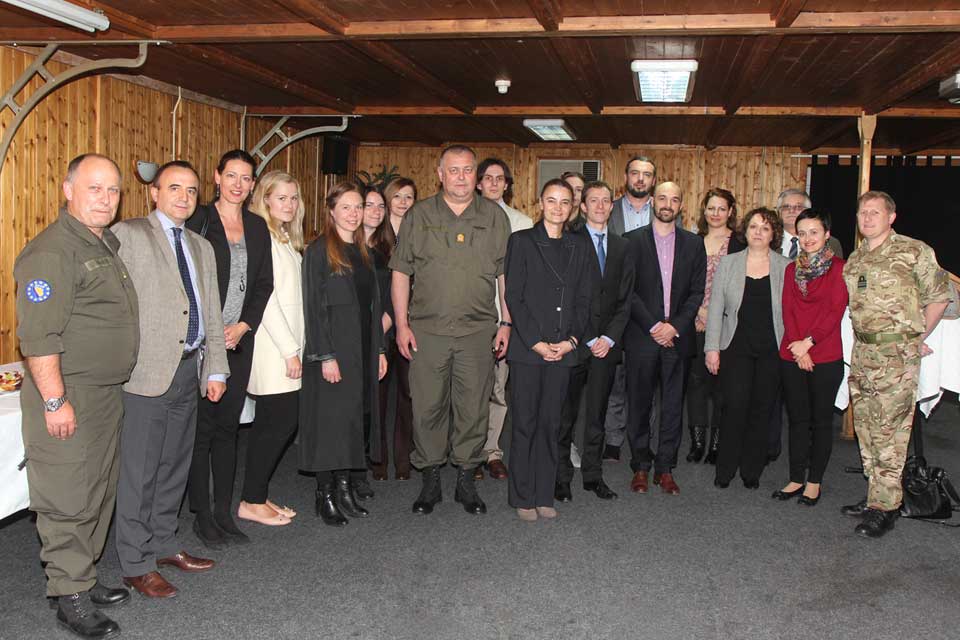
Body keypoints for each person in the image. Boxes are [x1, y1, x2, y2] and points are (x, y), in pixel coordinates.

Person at [15, 154, 139, 638]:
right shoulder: (53, 251)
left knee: (98, 490)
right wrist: (54, 400)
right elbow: (39, 337)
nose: (106, 199)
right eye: (95, 188)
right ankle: (68, 596)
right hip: (70, 394)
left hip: (104, 395)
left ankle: (82, 580)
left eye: (113, 190)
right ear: (68, 190)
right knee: (68, 495)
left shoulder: (101, 244)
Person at [112, 161, 226, 598]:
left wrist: (215, 366)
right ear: (154, 193)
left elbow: (211, 311)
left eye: (192, 190)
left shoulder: (200, 246)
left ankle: (162, 543)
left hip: (188, 371)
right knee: (139, 472)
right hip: (144, 374)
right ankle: (135, 562)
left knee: (174, 466)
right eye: (174, 188)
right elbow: (115, 307)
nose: (183, 196)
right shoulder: (129, 234)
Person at [390, 144, 512, 516]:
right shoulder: (420, 215)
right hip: (427, 331)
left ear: (476, 176)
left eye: (467, 170)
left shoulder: (493, 217)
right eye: (453, 170)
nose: (461, 177)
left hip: (478, 332)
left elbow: (505, 275)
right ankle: (429, 479)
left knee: (473, 407)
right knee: (427, 407)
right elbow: (401, 272)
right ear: (440, 174)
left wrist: (506, 321)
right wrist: (401, 324)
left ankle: (464, 477)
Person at [841, 191, 950, 538]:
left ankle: (885, 508)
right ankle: (877, 494)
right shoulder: (855, 260)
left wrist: (919, 339)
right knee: (869, 429)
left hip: (897, 358)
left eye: (875, 212)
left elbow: (939, 296)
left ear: (892, 217)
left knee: (890, 432)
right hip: (864, 354)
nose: (868, 218)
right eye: (862, 213)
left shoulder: (914, 251)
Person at [185, 150, 274, 547]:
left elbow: (263, 284)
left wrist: (242, 326)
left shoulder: (257, 226)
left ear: (253, 184)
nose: (238, 184)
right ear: (217, 177)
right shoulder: (199, 220)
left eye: (246, 178)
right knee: (201, 432)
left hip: (239, 341)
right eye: (231, 176)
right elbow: (185, 282)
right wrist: (211, 331)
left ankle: (224, 511)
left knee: (228, 429)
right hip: (203, 344)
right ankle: (201, 515)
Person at [300, 182, 388, 526]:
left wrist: (380, 349)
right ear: (332, 210)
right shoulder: (319, 250)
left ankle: (346, 485)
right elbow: (313, 307)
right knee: (330, 425)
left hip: (362, 349)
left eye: (358, 207)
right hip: (334, 352)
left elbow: (374, 305)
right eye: (347, 207)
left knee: (353, 421)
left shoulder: (363, 251)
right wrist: (325, 355)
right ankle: (325, 495)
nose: (354, 214)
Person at [505, 179, 593, 520]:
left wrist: (571, 341)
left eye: (565, 202)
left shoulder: (579, 246)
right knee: (525, 423)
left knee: (551, 424)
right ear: (540, 203)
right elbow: (515, 296)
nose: (558, 208)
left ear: (572, 207)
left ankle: (545, 494)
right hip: (530, 350)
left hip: (563, 349)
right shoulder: (522, 242)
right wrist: (538, 344)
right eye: (552, 201)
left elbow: (585, 299)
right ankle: (522, 496)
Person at [623, 181, 706, 495]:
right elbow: (627, 291)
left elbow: (696, 292)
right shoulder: (630, 242)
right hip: (642, 337)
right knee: (639, 405)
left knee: (673, 406)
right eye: (662, 198)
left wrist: (675, 326)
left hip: (678, 337)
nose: (667, 204)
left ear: (681, 205)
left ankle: (665, 468)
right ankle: (641, 466)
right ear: (652, 202)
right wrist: (654, 326)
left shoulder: (693, 244)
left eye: (675, 198)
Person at [556, 181, 634, 502]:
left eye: (605, 201)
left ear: (611, 207)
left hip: (606, 345)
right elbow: (567, 296)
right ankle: (560, 478)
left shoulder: (622, 246)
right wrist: (587, 337)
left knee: (597, 415)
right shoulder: (569, 243)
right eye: (594, 201)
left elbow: (625, 298)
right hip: (576, 342)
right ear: (583, 206)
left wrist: (609, 337)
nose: (600, 206)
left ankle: (592, 475)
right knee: (565, 415)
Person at [705, 207, 790, 489]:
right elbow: (715, 309)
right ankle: (724, 470)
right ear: (745, 230)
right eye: (754, 226)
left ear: (773, 234)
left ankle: (751, 470)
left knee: (761, 409)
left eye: (765, 228)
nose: (758, 232)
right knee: (733, 408)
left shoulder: (785, 266)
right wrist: (712, 348)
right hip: (735, 347)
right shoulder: (729, 264)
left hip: (771, 350)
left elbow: (790, 313)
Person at [240, 170, 306, 524]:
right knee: (277, 426)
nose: (289, 204)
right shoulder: (262, 237)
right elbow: (266, 302)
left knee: (274, 425)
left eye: (294, 198)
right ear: (264, 199)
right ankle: (251, 500)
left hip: (287, 348)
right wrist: (289, 351)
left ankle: (256, 496)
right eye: (281, 197)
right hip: (273, 350)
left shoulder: (283, 238)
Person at [773, 209, 847, 507]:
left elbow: (834, 311)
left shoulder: (841, 268)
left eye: (814, 232)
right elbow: (787, 310)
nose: (807, 239)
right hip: (791, 353)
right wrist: (797, 346)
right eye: (802, 233)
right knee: (797, 420)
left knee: (820, 421)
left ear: (827, 234)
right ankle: (795, 478)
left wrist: (809, 343)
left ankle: (814, 482)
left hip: (825, 354)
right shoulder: (792, 270)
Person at [476, 157, 533, 481]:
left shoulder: (522, 224)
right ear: (478, 183)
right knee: (468, 392)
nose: (494, 183)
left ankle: (491, 452)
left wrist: (509, 323)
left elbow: (522, 280)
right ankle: (467, 453)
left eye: (500, 178)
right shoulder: (463, 220)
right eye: (488, 178)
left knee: (498, 390)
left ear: (507, 185)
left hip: (503, 321)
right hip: (469, 320)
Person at [604, 156, 658, 461]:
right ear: (626, 176)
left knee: (647, 380)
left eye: (646, 175)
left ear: (652, 180)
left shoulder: (666, 214)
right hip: (615, 306)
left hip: (650, 310)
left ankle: (644, 438)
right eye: (635, 173)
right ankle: (613, 437)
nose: (640, 179)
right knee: (615, 378)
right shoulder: (608, 209)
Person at [686, 188, 745, 465]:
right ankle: (697, 443)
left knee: (722, 387)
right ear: (704, 210)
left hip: (727, 325)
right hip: (695, 322)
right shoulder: (692, 242)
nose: (716, 214)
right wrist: (699, 311)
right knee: (696, 385)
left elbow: (744, 285)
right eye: (711, 208)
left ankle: (717, 445)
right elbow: (683, 283)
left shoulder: (740, 244)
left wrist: (717, 314)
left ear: (730, 212)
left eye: (722, 208)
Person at [370, 177, 417, 481]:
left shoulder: (422, 235)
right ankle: (378, 459)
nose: (402, 202)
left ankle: (404, 459)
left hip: (414, 325)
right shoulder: (375, 238)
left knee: (408, 394)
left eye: (409, 197)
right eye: (397, 196)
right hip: (381, 325)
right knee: (378, 395)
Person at [362, 184, 396, 494]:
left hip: (382, 331)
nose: (375, 211)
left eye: (379, 206)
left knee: (378, 403)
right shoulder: (341, 246)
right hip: (349, 338)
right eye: (369, 205)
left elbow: (394, 298)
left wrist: (377, 333)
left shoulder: (389, 249)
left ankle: (375, 460)